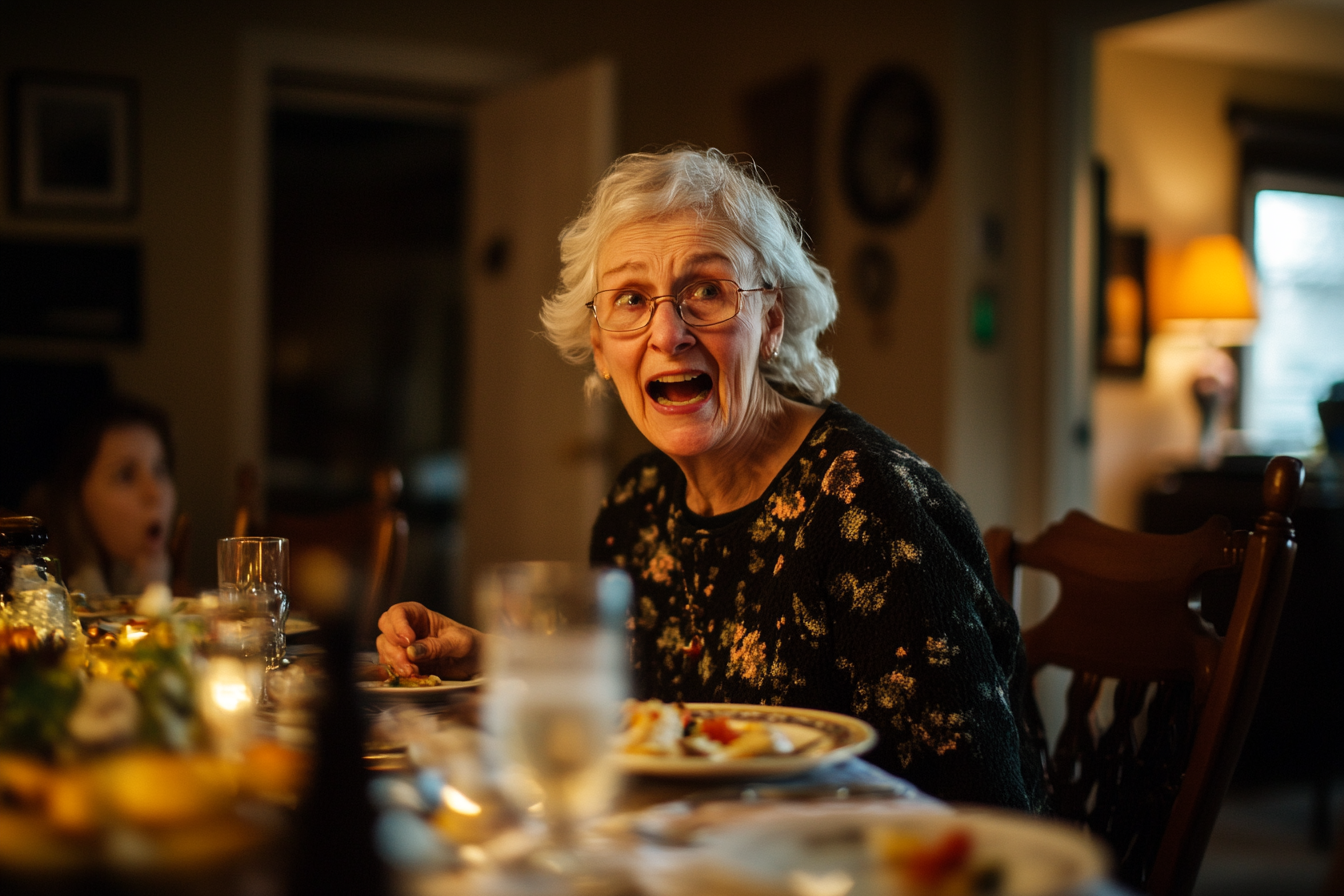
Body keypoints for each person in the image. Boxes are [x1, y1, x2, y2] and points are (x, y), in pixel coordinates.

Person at [379, 147, 1041, 809]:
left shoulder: (871, 506)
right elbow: (633, 708)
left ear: (771, 323)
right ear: (602, 348)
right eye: (632, 299)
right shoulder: (636, 507)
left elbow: (981, 807)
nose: (668, 332)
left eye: (707, 291)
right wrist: (486, 653)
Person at [25, 394, 179, 596]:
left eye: (160, 470)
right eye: (126, 476)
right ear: (77, 493)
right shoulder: (34, 593)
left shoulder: (179, 590)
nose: (155, 493)